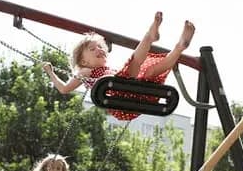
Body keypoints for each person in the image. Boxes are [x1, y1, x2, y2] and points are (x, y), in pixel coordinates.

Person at [43, 11, 195, 121]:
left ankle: (180, 47)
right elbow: (64, 89)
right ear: (83, 61)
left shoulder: (109, 70)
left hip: (133, 95)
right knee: (134, 62)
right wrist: (50, 72)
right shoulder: (86, 70)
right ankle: (149, 36)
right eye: (92, 49)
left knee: (151, 71)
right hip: (118, 99)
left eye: (100, 47)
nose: (99, 49)